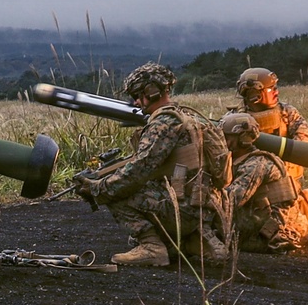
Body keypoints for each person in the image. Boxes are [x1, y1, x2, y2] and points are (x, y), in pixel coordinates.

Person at [72, 62, 231, 265]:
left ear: (152, 92)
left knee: (115, 191)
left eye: (138, 96)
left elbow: (137, 172)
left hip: (183, 210)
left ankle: (152, 247)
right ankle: (199, 240)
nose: (136, 103)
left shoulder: (162, 124)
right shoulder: (191, 118)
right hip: (207, 208)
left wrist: (98, 187)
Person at [221, 113, 308, 253]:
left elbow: (231, 200)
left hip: (271, 236)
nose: (222, 141)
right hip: (268, 226)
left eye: (227, 137)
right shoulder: (244, 159)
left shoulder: (257, 164)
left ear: (243, 139)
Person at [231, 67, 308, 183]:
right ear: (254, 94)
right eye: (271, 89)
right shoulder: (234, 120)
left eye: (276, 88)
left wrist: (277, 165)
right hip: (250, 183)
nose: (276, 92)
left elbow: (305, 144)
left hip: (287, 182)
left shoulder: (287, 112)